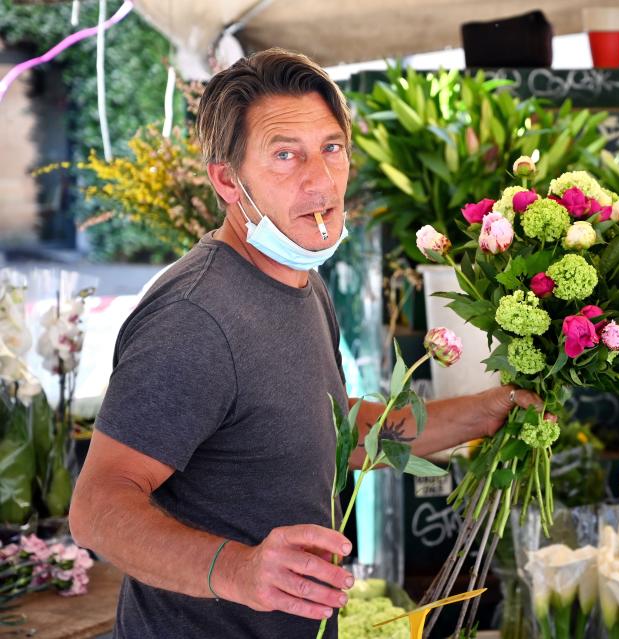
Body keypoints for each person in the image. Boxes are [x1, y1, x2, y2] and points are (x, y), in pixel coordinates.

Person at [68, 48, 543, 639]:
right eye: (285, 154)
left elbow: (327, 430)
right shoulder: (194, 318)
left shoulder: (303, 283)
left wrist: (483, 413)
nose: (319, 180)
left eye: (331, 148)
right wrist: (238, 570)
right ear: (226, 180)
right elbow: (98, 508)